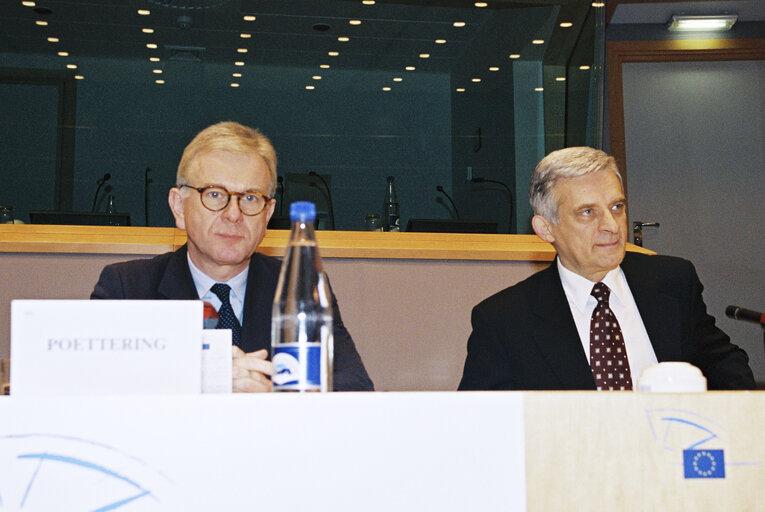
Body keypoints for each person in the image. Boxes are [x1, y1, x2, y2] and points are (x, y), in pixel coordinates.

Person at [91, 121, 373, 392]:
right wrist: (209, 380)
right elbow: (95, 386)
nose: (234, 214)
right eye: (215, 194)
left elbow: (354, 388)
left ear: (268, 214)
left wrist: (271, 395)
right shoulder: (127, 288)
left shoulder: (300, 288)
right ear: (179, 207)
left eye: (250, 198)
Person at [459, 146, 755, 391]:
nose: (612, 227)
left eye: (617, 207)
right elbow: (482, 423)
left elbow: (724, 364)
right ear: (546, 228)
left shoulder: (673, 282)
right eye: (588, 212)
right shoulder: (504, 320)